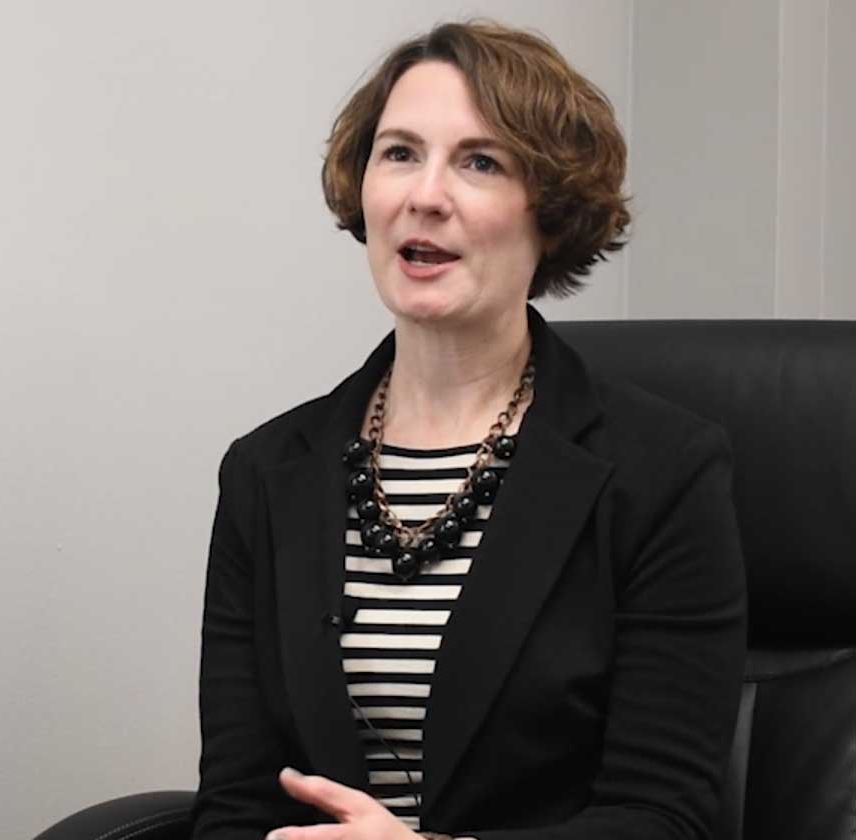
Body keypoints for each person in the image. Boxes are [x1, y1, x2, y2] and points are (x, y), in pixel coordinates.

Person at [190, 20, 746, 840]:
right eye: (399, 153)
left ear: (550, 211)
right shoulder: (266, 472)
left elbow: (663, 818)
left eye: (479, 162)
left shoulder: (661, 471)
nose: (425, 195)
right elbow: (237, 802)